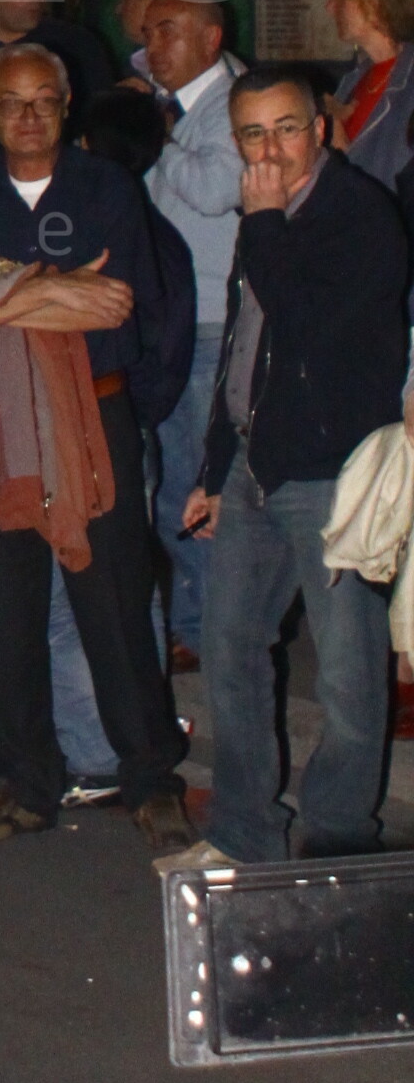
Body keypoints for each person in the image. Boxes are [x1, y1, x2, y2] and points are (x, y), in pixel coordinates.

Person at [0, 41, 190, 851]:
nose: (29, 116)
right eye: (13, 102)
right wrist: (53, 287)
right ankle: (26, 779)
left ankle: (150, 778)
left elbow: (113, 305)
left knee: (113, 601)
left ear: (66, 109)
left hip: (91, 415)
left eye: (44, 101)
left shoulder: (106, 188)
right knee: (3, 605)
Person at [180, 65, 411, 864]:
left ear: (319, 129)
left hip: (332, 472)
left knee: (349, 672)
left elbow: (307, 323)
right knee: (232, 651)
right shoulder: (264, 216)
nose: (271, 150)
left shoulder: (358, 215)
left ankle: (339, 836)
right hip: (256, 464)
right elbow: (243, 347)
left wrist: (267, 222)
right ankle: (244, 832)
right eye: (253, 134)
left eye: (286, 129)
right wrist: (216, 468)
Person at [138, 0, 244, 667]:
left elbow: (213, 190)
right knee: (174, 482)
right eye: (149, 32)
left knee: (197, 488)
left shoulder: (231, 103)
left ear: (211, 38)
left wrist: (158, 139)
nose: (154, 47)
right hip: (174, 320)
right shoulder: (171, 106)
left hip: (210, 323)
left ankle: (208, 632)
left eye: (168, 31)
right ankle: (192, 623)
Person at [326, 0, 414, 213]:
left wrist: (339, 160)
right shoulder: (354, 79)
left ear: (376, 2)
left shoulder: (409, 84)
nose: (330, 7)